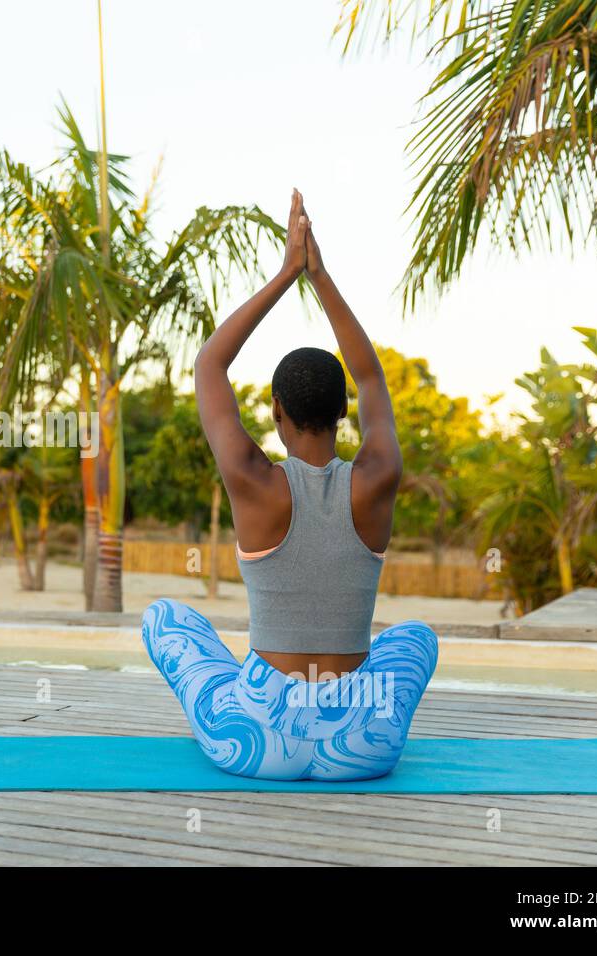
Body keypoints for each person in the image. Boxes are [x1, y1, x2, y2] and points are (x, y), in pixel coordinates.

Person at [141, 189, 438, 781]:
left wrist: (286, 275)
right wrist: (320, 277)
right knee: (417, 637)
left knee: (164, 617)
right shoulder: (376, 477)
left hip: (256, 740)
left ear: (276, 411)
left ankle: (250, 697)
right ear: (344, 412)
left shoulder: (254, 481)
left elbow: (209, 366)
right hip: (360, 743)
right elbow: (372, 375)